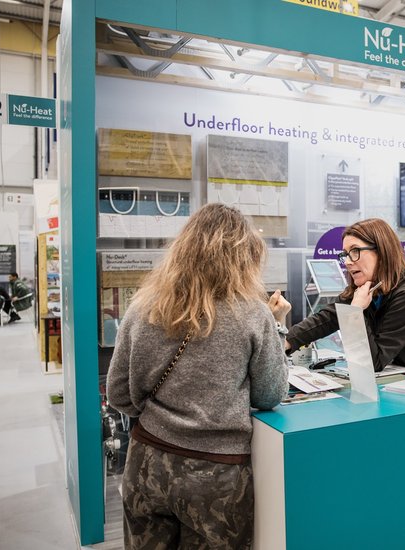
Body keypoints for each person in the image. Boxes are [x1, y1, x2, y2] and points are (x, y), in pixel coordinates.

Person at [106, 203, 289, 549]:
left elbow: (118, 395)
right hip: (216, 477)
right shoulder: (253, 314)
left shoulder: (143, 306)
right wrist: (277, 326)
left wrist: (164, 417)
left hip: (147, 462)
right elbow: (270, 394)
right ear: (242, 257)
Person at [285, 218, 405, 373]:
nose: (347, 261)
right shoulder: (365, 289)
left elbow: (372, 362)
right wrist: (286, 342)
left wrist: (355, 312)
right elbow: (326, 318)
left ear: (381, 252)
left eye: (355, 252)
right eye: (345, 254)